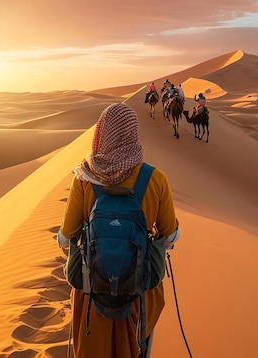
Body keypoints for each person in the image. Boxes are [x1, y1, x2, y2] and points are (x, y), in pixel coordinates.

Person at [57, 103, 181, 358]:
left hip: (93, 290)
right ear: (132, 134)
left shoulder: (83, 177)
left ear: (102, 134)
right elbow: (170, 235)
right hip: (139, 292)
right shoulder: (156, 178)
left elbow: (67, 235)